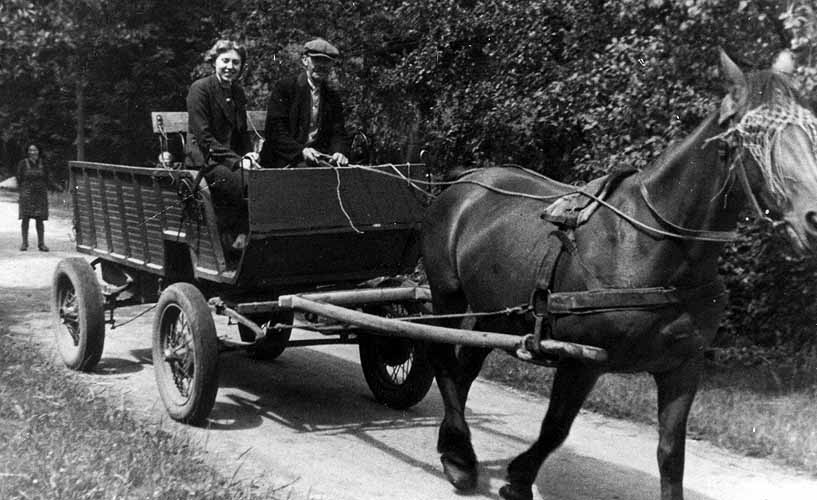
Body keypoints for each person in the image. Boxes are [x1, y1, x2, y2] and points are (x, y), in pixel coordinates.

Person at [186, 39, 255, 251]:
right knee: (244, 183)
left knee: (265, 179)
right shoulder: (201, 89)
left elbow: (241, 133)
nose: (230, 67)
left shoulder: (237, 92)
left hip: (228, 159)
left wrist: (250, 155)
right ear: (214, 61)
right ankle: (239, 236)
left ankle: (250, 237)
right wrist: (237, 161)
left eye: (236, 63)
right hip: (205, 160)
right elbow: (205, 138)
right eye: (225, 60)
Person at [259, 38, 349, 168]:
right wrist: (301, 151)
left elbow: (338, 132)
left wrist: (339, 152)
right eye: (317, 60)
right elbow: (275, 131)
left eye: (327, 61)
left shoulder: (332, 97)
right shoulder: (285, 88)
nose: (322, 66)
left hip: (317, 159)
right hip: (284, 158)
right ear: (305, 60)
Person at [16, 144, 50, 251]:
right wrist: (22, 191)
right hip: (26, 193)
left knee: (39, 219)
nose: (32, 152)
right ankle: (24, 243)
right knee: (25, 219)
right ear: (27, 151)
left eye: (35, 150)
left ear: (39, 151)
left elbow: (47, 177)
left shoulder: (43, 163)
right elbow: (19, 178)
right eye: (30, 150)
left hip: (40, 194)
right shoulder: (22, 163)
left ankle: (41, 244)